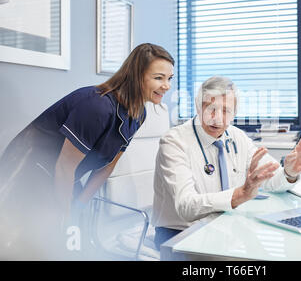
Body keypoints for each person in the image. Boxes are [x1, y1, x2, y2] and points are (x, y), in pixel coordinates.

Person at [0, 43, 174, 259]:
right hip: (27, 170)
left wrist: (81, 204)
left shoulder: (139, 114)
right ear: (136, 76)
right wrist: (66, 216)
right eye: (159, 78)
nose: (166, 86)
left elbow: (108, 165)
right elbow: (65, 166)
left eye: (169, 78)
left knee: (68, 238)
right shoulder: (97, 106)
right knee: (37, 241)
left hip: (62, 174)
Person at [151, 76, 301, 250]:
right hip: (179, 233)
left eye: (226, 111)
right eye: (210, 108)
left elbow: (271, 181)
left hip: (224, 226)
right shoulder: (174, 141)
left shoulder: (237, 137)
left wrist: (290, 172)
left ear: (235, 114)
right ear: (198, 107)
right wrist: (239, 195)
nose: (217, 118)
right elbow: (186, 207)